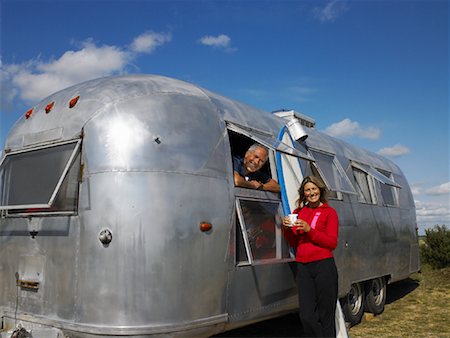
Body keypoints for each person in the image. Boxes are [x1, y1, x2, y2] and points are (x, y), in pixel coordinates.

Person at [282, 175, 339, 337]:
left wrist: (309, 230)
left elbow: (331, 243)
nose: (311, 192)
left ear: (320, 190)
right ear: (303, 193)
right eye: (307, 190)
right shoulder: (299, 212)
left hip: (324, 266)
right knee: (306, 316)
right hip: (303, 266)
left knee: (326, 315)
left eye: (314, 188)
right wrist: (286, 229)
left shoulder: (330, 213)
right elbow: (294, 242)